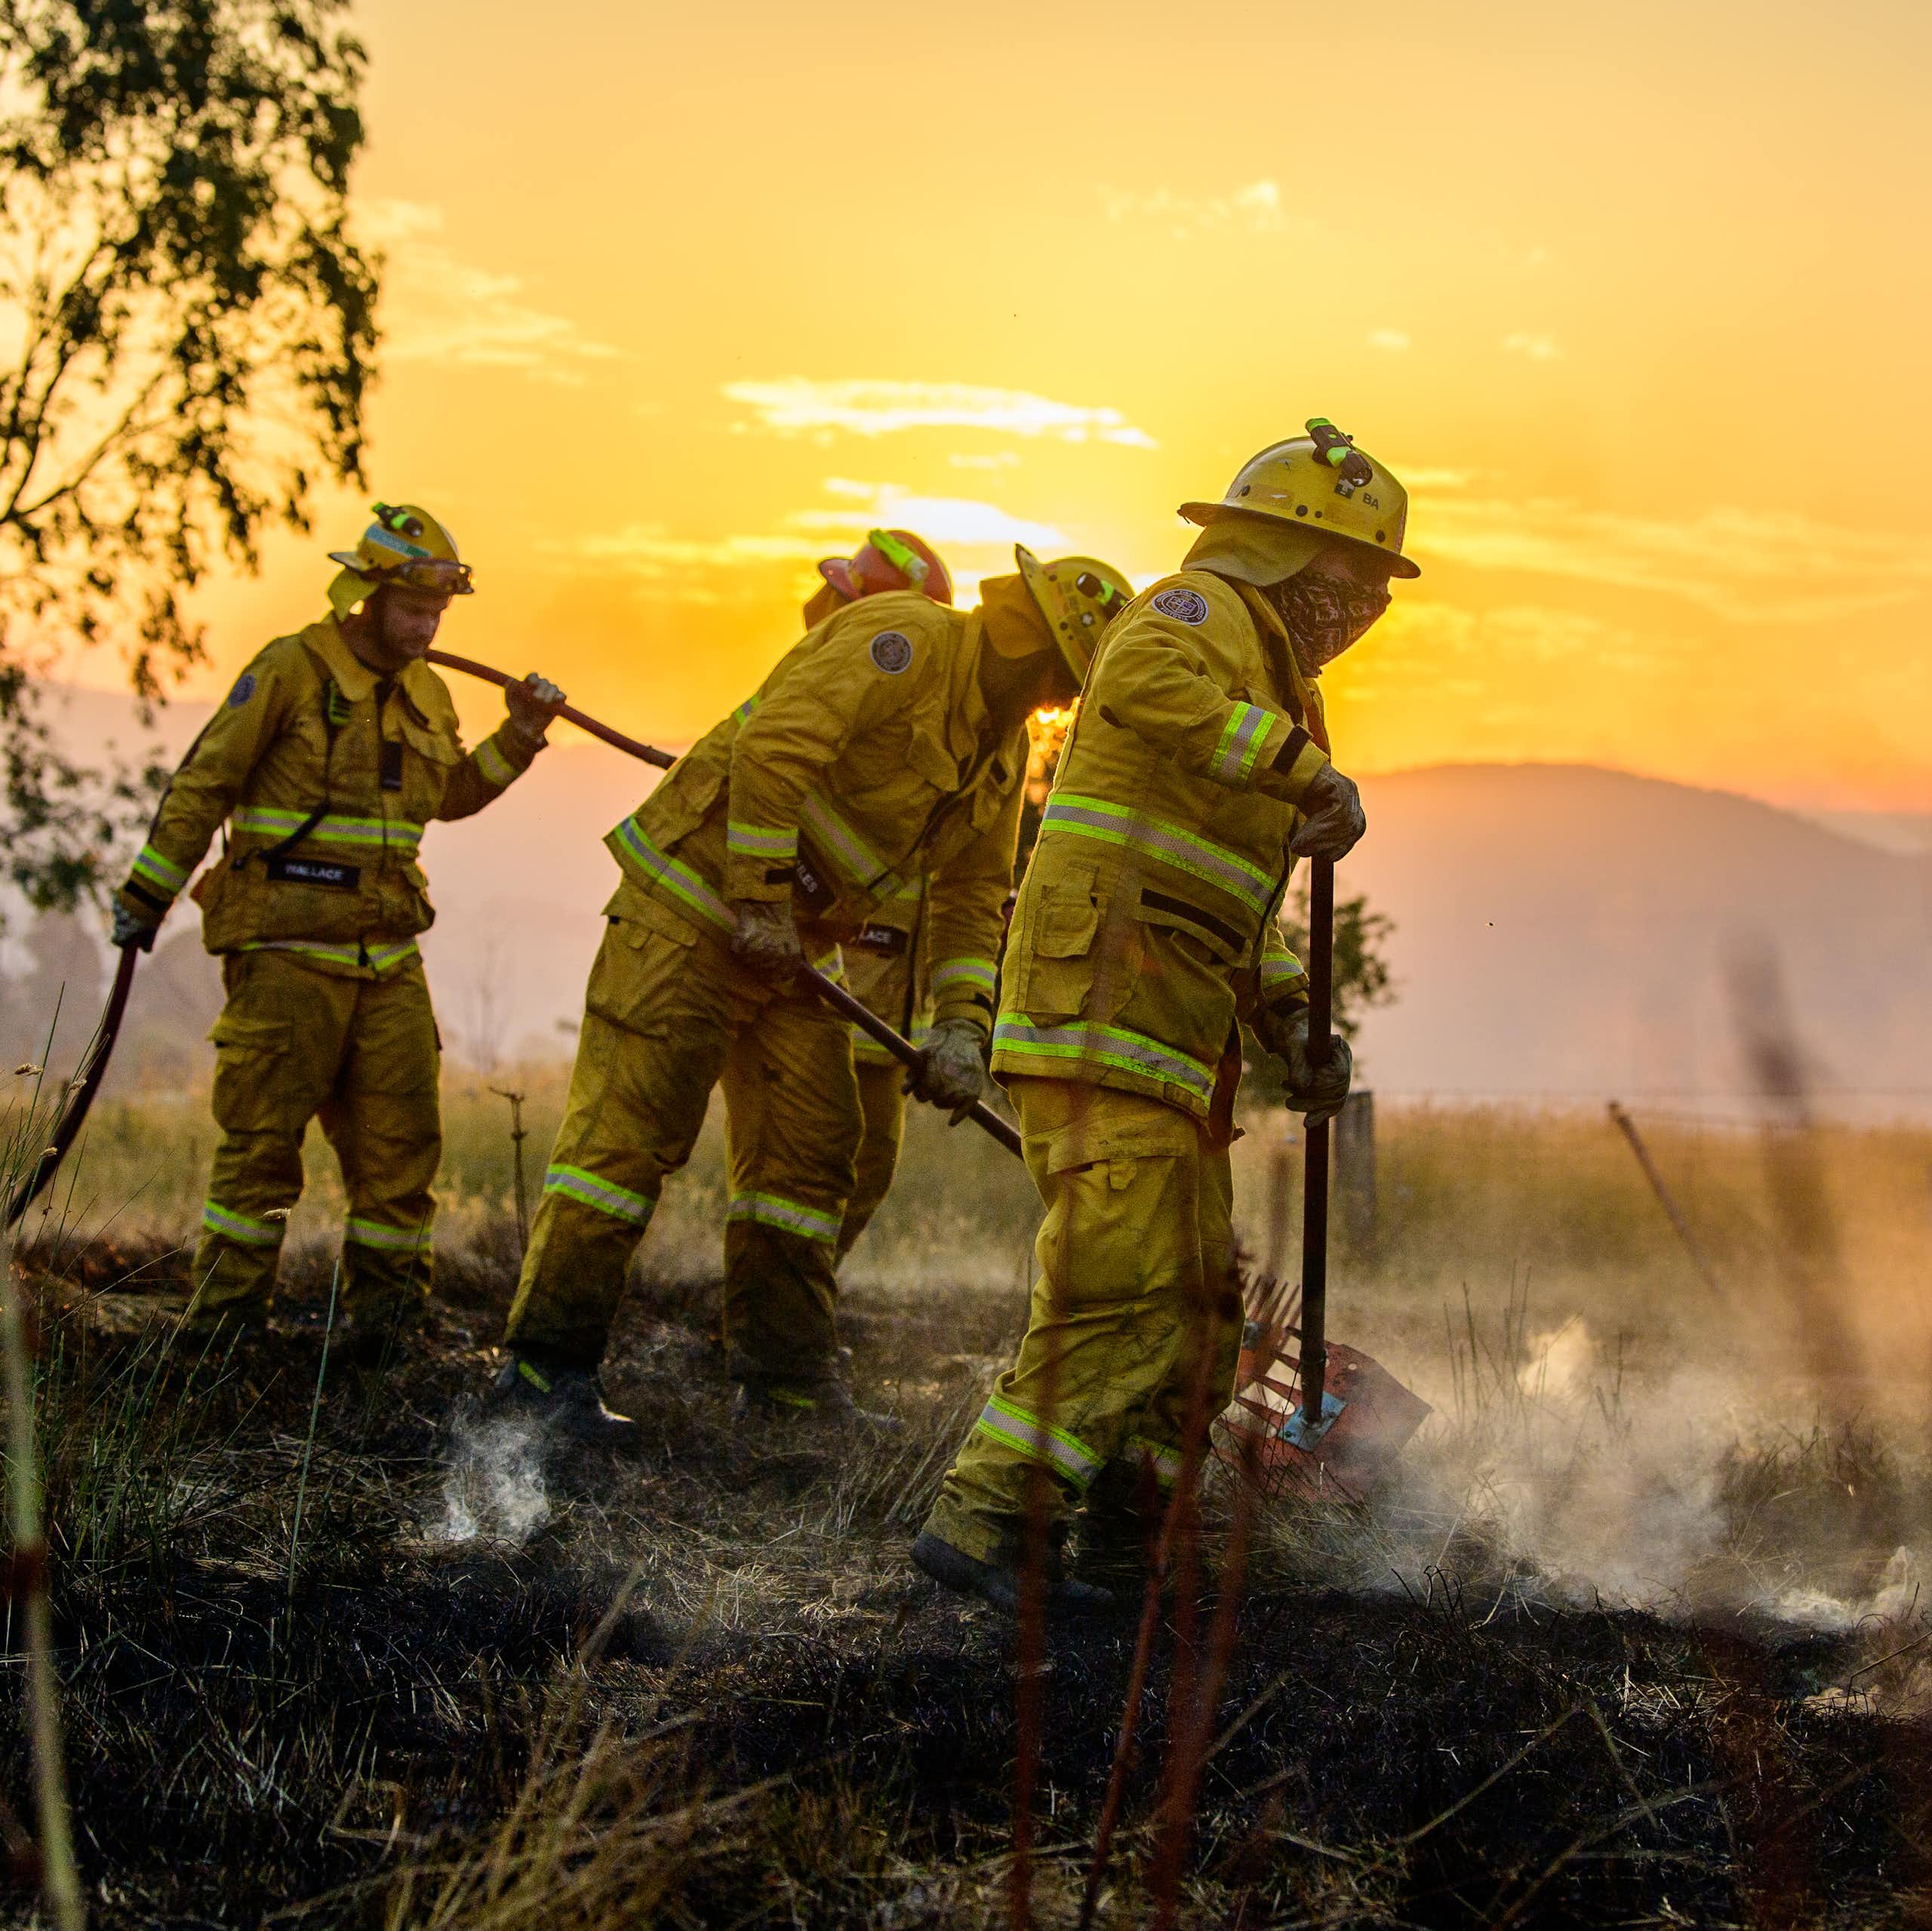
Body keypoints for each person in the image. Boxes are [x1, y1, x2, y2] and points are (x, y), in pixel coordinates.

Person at [913, 420, 1416, 1610]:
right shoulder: (1195, 616)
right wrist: (1300, 767)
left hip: (1176, 1037)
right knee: (1119, 1289)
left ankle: (1125, 1551)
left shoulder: (1287, 691)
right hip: (1102, 1011)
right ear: (1276, 549)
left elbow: (1243, 903)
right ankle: (980, 1525)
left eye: (1373, 592)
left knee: (1195, 1316)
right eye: (1343, 579)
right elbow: (1138, 681)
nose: (1355, 609)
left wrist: (1296, 1022)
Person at [493, 544, 1134, 1445]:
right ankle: (540, 1372)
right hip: (693, 903)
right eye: (1062, 674)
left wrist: (959, 1027)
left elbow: (968, 898)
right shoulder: (898, 639)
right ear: (1030, 640)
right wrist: (756, 897)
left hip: (795, 949)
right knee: (630, 1137)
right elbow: (775, 750)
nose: (1055, 697)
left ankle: (782, 1383)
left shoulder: (1001, 750)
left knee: (813, 1154)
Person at [110, 504, 567, 1358]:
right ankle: (223, 1341)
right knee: (261, 1157)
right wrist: (149, 893)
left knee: (402, 1162)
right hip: (285, 956)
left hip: (388, 960)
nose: (430, 625)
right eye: (415, 609)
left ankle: (384, 1343)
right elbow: (205, 784)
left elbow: (451, 798)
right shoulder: (288, 670)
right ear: (368, 596)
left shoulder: (428, 690)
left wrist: (522, 735)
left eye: (440, 612)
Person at [801, 531, 956, 1263]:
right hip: (819, 994)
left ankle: (802, 1300)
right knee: (809, 1167)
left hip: (883, 1012)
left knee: (868, 1168)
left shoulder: (919, 722)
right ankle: (772, 1313)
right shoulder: (825, 698)